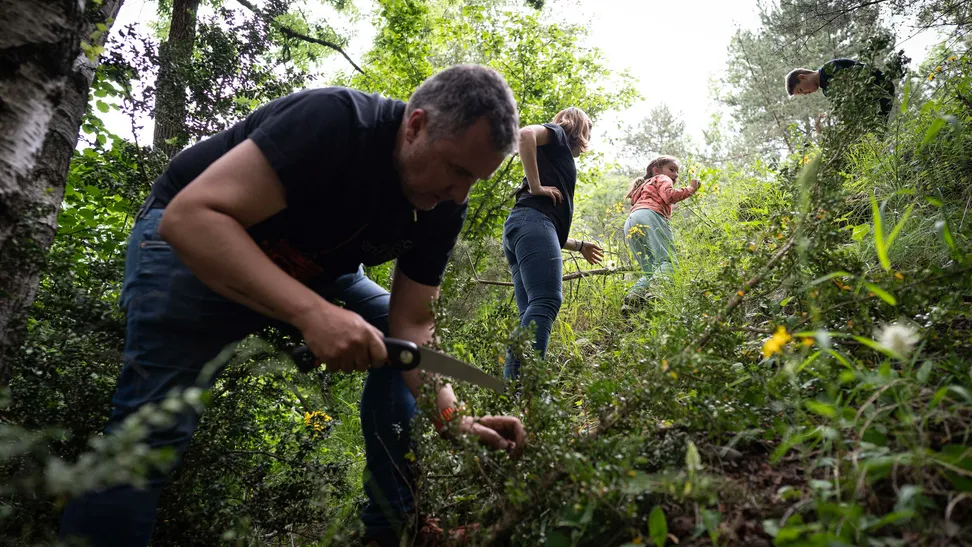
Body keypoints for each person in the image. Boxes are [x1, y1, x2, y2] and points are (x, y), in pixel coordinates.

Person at [58, 64, 527, 547]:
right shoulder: (336, 123)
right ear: (415, 125)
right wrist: (312, 313)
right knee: (148, 436)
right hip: (194, 242)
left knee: (385, 329)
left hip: (316, 268)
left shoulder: (443, 202)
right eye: (456, 170)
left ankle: (389, 532)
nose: (459, 194)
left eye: (475, 180)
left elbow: (410, 324)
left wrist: (451, 417)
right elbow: (191, 218)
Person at [502, 107, 604, 380]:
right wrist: (536, 187)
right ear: (579, 128)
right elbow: (524, 134)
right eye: (589, 131)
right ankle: (530, 387)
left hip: (521, 227)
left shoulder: (554, 156)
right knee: (546, 300)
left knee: (531, 313)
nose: (589, 139)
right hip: (531, 221)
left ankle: (514, 394)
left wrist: (579, 245)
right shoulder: (558, 134)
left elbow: (547, 232)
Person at [622, 155, 699, 312]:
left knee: (650, 268)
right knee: (667, 260)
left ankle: (634, 299)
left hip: (631, 221)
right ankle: (657, 292)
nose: (675, 175)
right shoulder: (662, 178)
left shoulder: (642, 186)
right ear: (656, 171)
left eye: (677, 172)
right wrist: (691, 189)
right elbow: (669, 196)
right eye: (672, 170)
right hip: (651, 215)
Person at [785, 58, 895, 129]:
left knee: (887, 124)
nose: (804, 94)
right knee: (879, 128)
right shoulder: (827, 92)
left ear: (803, 77)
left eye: (800, 90)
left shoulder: (828, 69)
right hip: (873, 104)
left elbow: (849, 82)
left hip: (880, 86)